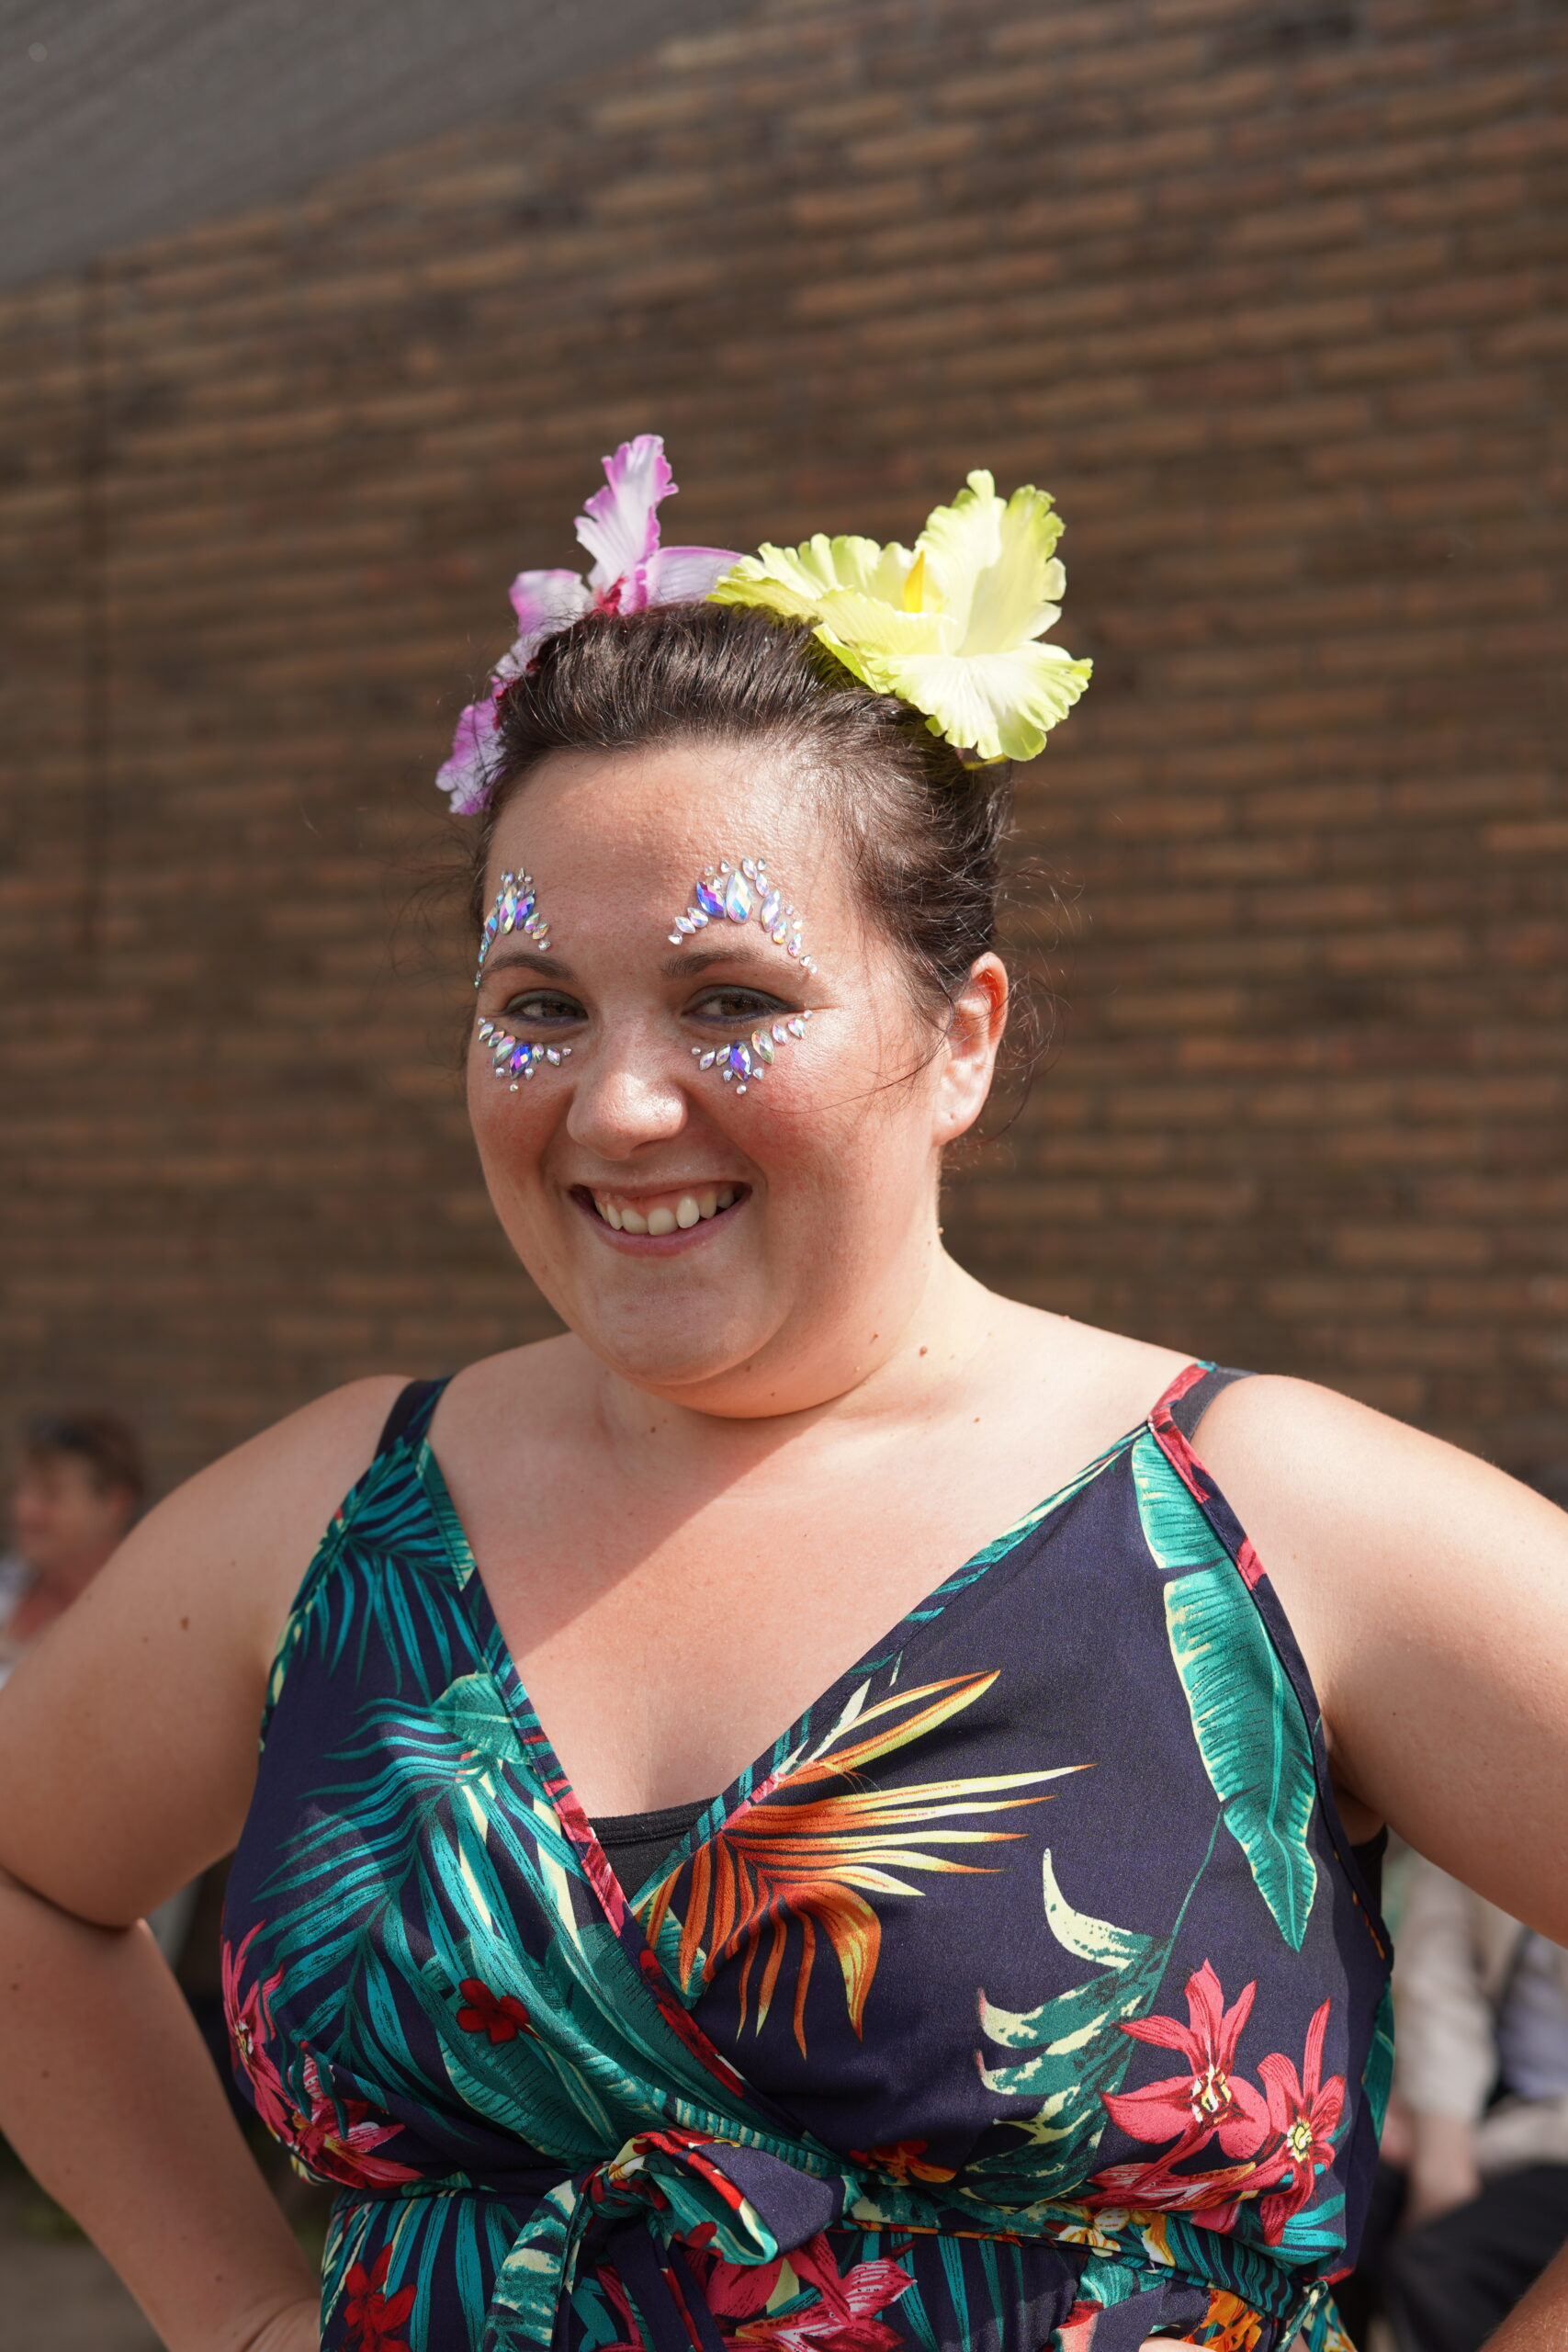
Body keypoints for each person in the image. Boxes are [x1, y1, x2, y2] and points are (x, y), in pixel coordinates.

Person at [0, 437, 1564, 2352]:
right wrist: (235, 2306)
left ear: (958, 1036)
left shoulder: (1266, 1517)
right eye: (538, 1006)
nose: (618, 1101)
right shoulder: (335, 1509)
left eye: (730, 996)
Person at [1380, 1858, 1568, 2351]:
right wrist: (1441, 2145)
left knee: (1440, 2265)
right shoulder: (1502, 1792)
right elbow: (1440, 1976)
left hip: (1549, 2139)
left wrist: (1468, 2151)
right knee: (1335, 2194)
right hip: (1474, 2098)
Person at [0, 1410, 147, 1677]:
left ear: (115, 1504)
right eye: (20, 1490)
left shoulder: (144, 1616)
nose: (24, 1511)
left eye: (50, 1495)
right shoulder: (8, 1583)